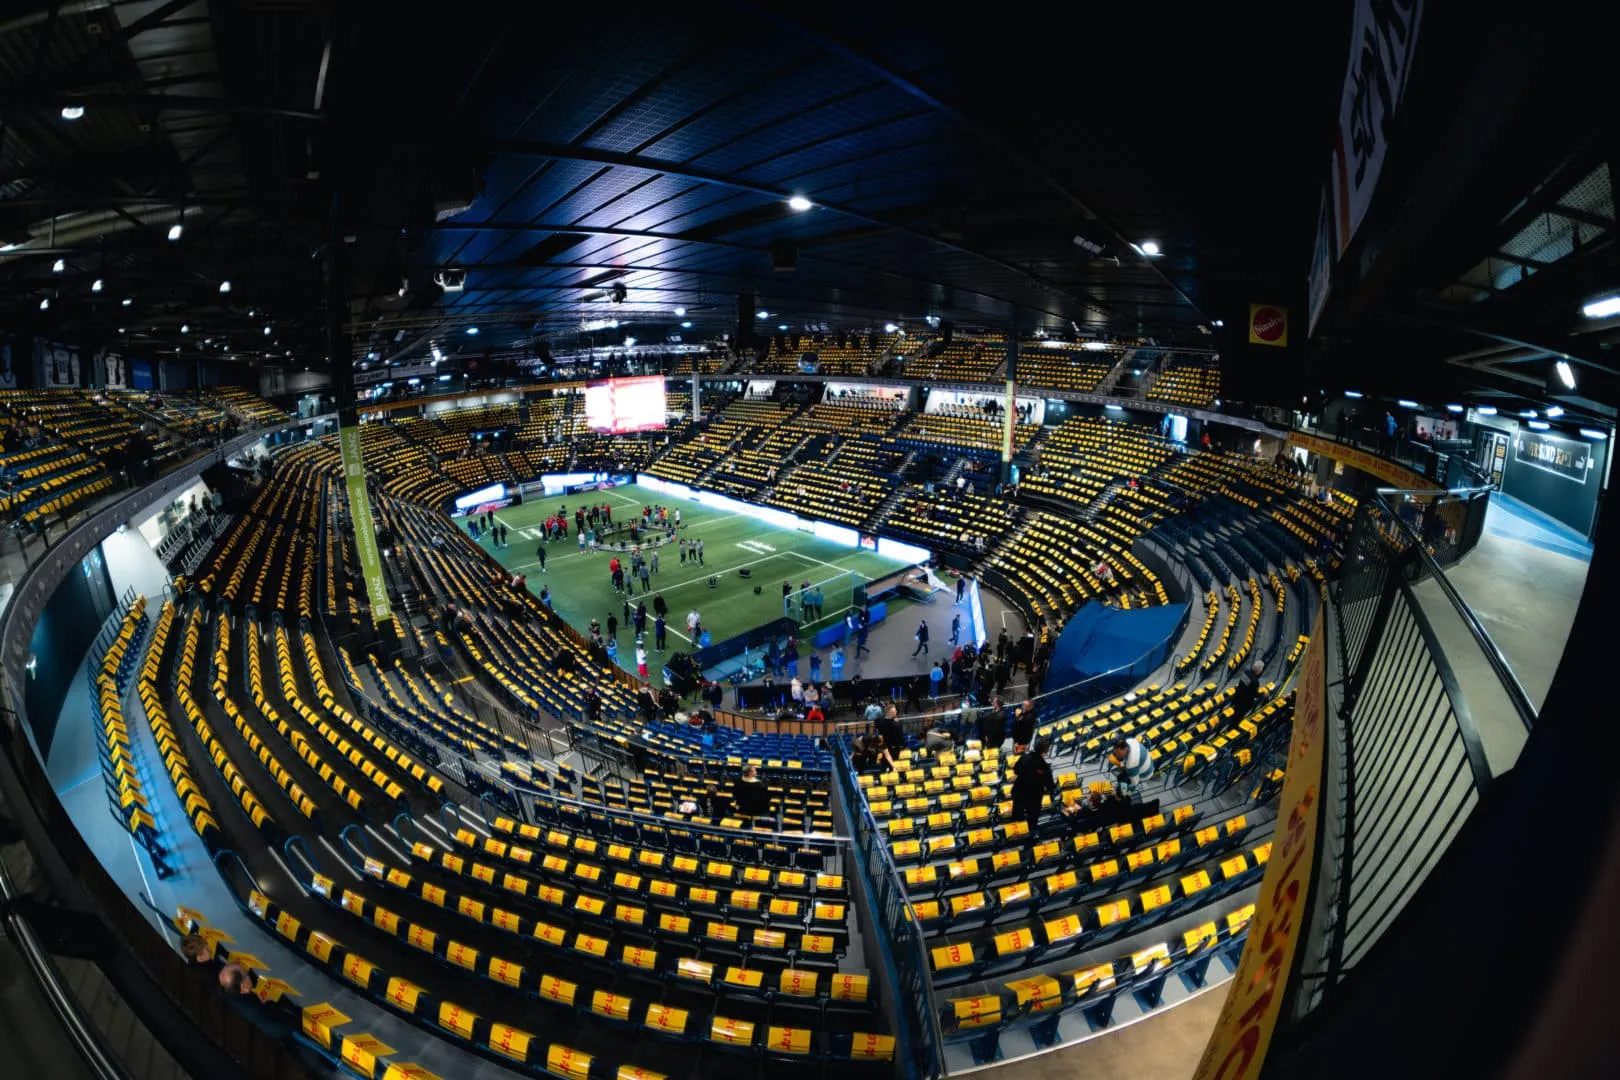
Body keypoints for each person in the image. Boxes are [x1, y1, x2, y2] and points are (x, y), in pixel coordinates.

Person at [1011, 737, 1071, 848]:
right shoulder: (1045, 767)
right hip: (1034, 797)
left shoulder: (1024, 758)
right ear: (1046, 751)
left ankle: (1015, 834)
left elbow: (1015, 770)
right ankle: (1029, 841)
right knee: (1032, 819)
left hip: (1019, 791)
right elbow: (1050, 786)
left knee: (1017, 813)